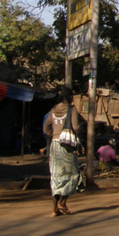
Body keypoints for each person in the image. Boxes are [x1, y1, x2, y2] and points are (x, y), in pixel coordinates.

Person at [42, 86, 84, 217]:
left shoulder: (53, 110)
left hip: (54, 146)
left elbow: (46, 127)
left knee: (56, 177)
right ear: (70, 97)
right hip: (66, 146)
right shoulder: (72, 109)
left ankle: (54, 210)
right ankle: (63, 202)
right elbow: (76, 127)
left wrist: (53, 135)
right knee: (72, 175)